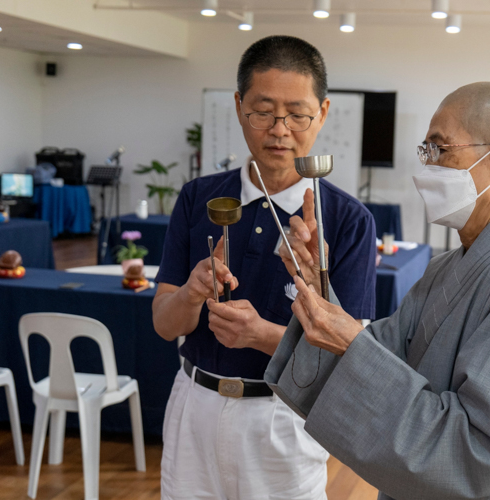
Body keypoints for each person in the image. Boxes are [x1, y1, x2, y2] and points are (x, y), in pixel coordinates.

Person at [265, 82, 490, 500]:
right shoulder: (445, 267)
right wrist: (316, 284)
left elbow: (480, 453)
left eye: (440, 149)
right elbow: (378, 353)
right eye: (425, 151)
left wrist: (353, 344)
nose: (427, 166)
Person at [152, 35, 377, 500]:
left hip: (283, 420)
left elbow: (350, 356)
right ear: (238, 107)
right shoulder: (199, 199)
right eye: (263, 111)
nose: (279, 130)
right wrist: (192, 293)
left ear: (324, 112)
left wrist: (262, 335)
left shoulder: (350, 221)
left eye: (298, 114)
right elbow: (162, 322)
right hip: (194, 407)